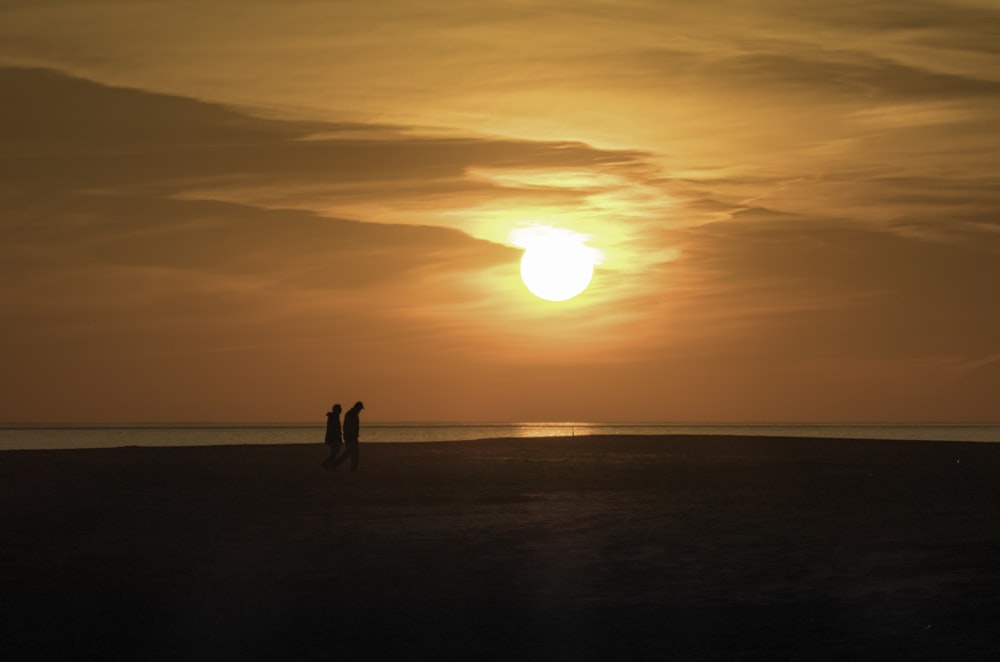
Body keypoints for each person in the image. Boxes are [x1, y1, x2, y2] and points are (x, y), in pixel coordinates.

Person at [332, 401, 364, 472]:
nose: (360, 410)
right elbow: (348, 426)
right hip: (350, 437)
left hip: (350, 436)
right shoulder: (351, 414)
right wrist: (351, 435)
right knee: (354, 453)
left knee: (349, 452)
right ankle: (352, 469)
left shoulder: (352, 414)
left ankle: (336, 464)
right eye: (360, 409)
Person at [321, 404, 342, 471]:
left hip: (333, 437)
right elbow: (334, 429)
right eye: (339, 409)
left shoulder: (334, 417)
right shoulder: (334, 417)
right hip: (333, 437)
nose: (340, 410)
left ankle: (330, 465)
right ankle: (328, 464)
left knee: (335, 451)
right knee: (335, 451)